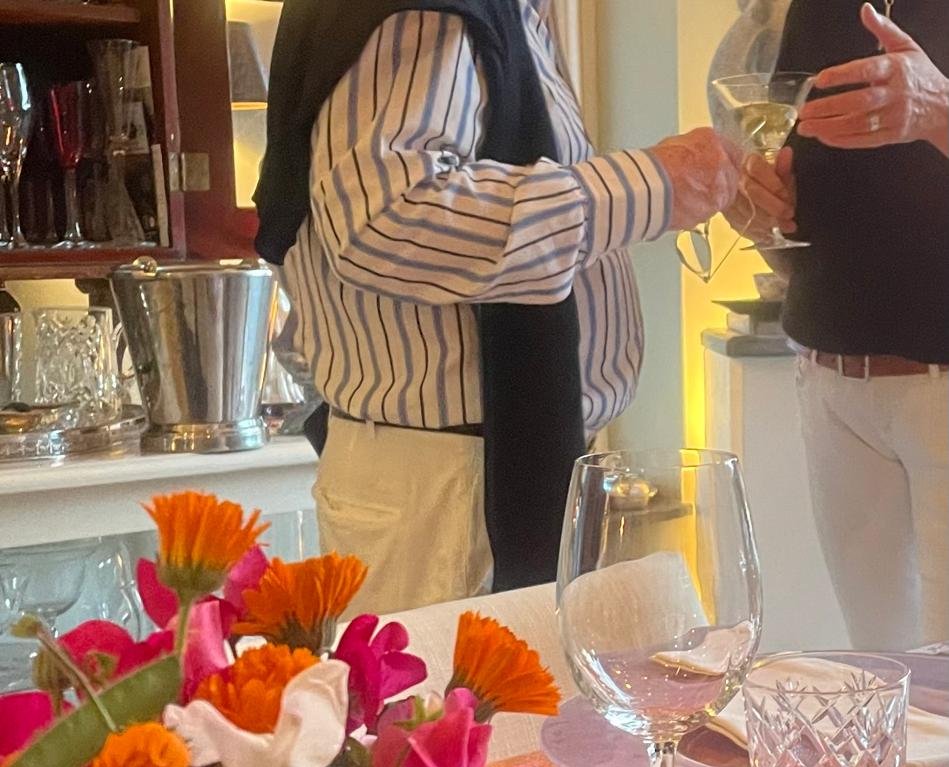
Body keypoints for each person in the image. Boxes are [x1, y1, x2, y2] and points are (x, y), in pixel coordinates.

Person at [256, 0, 740, 612]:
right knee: (441, 680)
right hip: (450, 494)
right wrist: (646, 186)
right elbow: (383, 218)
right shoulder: (438, 10)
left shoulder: (499, 15)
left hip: (476, 477)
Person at [738, 1, 949, 649]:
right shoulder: (811, 9)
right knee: (878, 667)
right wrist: (757, 205)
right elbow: (796, 211)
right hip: (831, 384)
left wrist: (941, 111)